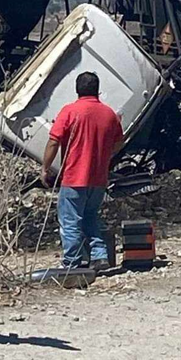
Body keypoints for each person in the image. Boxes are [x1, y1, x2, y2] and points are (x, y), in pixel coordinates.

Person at [40, 72, 125, 271]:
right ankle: (99, 255)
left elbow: (54, 141)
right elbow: (119, 141)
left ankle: (72, 263)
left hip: (74, 177)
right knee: (90, 217)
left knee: (70, 221)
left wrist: (45, 168)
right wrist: (106, 155)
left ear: (77, 90)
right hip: (98, 178)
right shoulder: (109, 114)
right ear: (97, 89)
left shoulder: (70, 111)